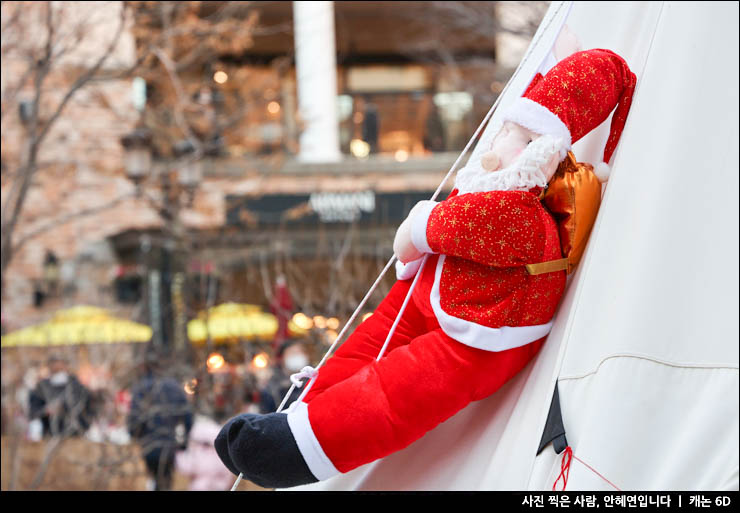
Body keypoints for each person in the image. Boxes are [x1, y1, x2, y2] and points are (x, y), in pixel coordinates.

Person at [215, 49, 636, 489]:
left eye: (519, 138)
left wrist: (421, 226)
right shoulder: (490, 186)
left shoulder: (524, 212)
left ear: (542, 152)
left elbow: (469, 225)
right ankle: (306, 409)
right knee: (371, 341)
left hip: (480, 332)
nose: (498, 145)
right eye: (504, 131)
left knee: (398, 391)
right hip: (439, 291)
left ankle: (306, 446)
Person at [127, 355, 193, 491]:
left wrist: (135, 436)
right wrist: (183, 442)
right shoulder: (174, 387)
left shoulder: (141, 389)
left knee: (154, 478)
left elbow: (134, 420)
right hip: (169, 444)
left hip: (149, 445)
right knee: (165, 480)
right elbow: (188, 417)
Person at [28, 354, 93, 438]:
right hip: (49, 434)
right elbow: (33, 411)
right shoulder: (42, 387)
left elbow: (87, 408)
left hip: (75, 434)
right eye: (55, 366)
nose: (58, 368)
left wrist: (66, 409)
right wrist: (46, 410)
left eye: (61, 366)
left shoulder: (77, 387)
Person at [258, 340, 311, 414]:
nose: (298, 356)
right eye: (293, 353)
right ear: (282, 358)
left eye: (301, 352)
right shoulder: (271, 387)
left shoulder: (313, 380)